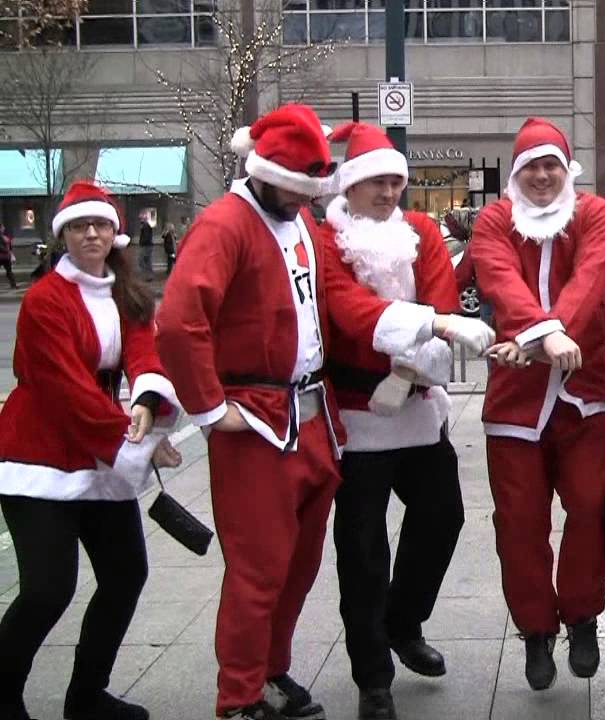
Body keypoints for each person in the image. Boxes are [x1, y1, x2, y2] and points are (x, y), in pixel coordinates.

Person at [154, 103, 492, 720]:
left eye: (311, 185)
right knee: (262, 567)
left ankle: (271, 672)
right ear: (260, 170)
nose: (302, 195)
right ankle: (239, 697)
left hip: (314, 418)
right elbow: (178, 322)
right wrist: (207, 408)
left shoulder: (301, 224)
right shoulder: (229, 223)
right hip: (260, 416)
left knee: (298, 563)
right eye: (293, 184)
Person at [318, 122, 484, 720]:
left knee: (443, 516)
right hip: (356, 417)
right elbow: (347, 309)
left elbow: (439, 299)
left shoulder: (420, 232)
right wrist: (431, 329)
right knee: (362, 551)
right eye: (375, 183)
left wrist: (423, 353)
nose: (388, 192)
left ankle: (403, 620)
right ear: (351, 185)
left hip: (416, 407)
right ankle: (373, 677)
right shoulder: (324, 239)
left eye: (395, 181)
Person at [0, 180, 184, 720]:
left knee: (126, 574)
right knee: (47, 589)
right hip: (40, 453)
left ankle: (86, 696)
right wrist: (140, 444)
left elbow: (143, 350)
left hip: (100, 449)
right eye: (80, 226)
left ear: (116, 233)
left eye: (101, 224)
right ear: (63, 236)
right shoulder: (43, 300)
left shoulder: (124, 292)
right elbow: (64, 391)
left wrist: (149, 399)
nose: (92, 234)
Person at [470, 117, 605, 691]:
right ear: (515, 173)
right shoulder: (492, 220)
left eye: (550, 164)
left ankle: (581, 614)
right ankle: (537, 630)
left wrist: (547, 334)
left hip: (586, 393)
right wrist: (539, 334)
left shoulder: (597, 215)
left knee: (589, 508)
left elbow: (591, 278)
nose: (541, 175)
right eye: (530, 166)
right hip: (515, 399)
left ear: (567, 169)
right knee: (519, 523)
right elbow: (500, 280)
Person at [0, 223, 16, 289]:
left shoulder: (5, 236)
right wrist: (7, 250)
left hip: (6, 257)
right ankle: (13, 284)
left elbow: (10, 245)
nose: (3, 228)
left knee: (9, 271)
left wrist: (10, 252)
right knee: (9, 271)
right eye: (2, 227)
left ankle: (13, 285)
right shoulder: (2, 236)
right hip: (1, 256)